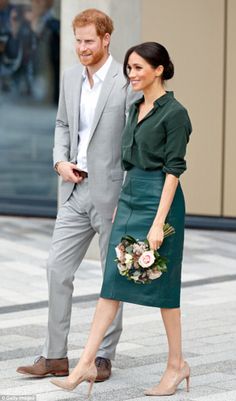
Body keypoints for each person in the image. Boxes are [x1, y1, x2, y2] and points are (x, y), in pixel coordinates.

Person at [50, 41, 192, 397]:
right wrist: (120, 203)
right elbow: (126, 161)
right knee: (111, 283)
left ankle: (177, 365)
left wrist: (159, 223)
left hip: (160, 201)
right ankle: (85, 363)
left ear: (159, 69)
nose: (131, 74)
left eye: (139, 68)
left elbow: (174, 170)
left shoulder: (174, 113)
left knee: (164, 289)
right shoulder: (135, 107)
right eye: (129, 68)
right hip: (129, 200)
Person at [16, 8, 136, 382]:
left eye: (88, 41)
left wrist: (128, 198)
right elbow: (63, 124)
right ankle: (55, 356)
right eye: (78, 41)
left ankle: (103, 356)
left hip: (112, 195)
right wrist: (59, 162)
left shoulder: (125, 81)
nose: (82, 48)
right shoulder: (70, 78)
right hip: (73, 191)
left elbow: (134, 143)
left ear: (106, 39)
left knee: (111, 278)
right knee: (56, 270)